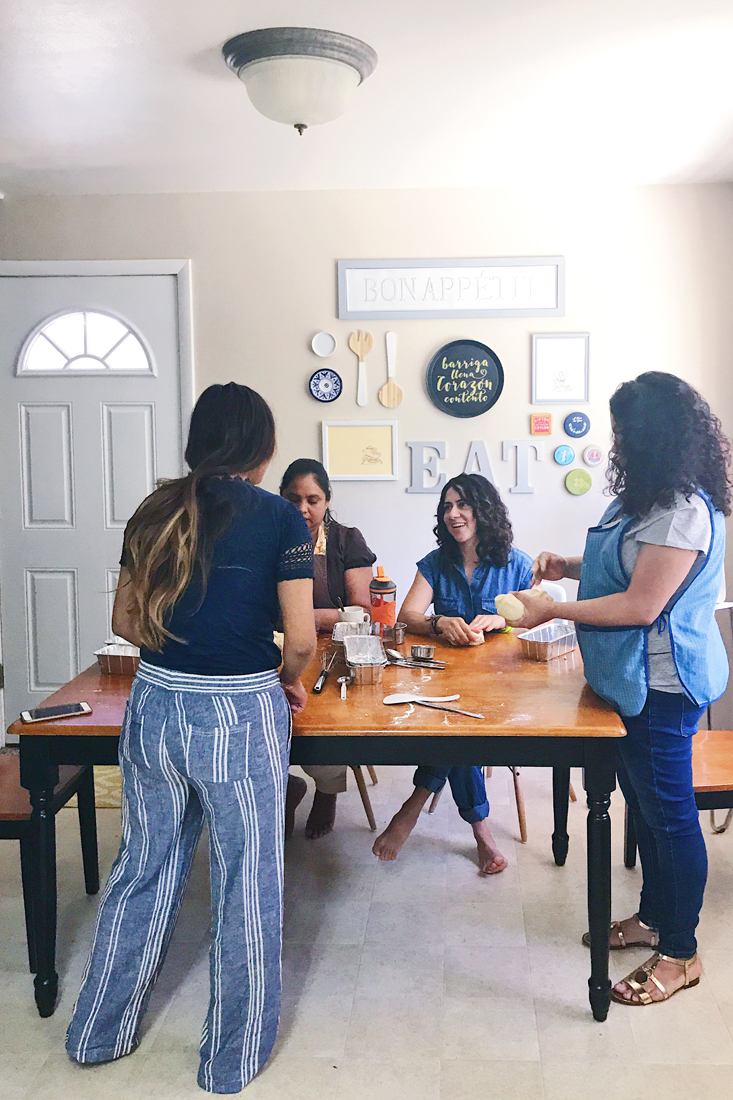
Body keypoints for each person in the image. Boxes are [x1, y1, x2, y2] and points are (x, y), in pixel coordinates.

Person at [66, 383, 316, 1092]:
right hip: (239, 714)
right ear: (263, 451)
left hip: (155, 705)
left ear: (197, 443)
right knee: (246, 884)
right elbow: (299, 640)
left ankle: (96, 1034)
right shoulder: (280, 519)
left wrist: (183, 650)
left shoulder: (154, 509)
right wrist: (281, 677)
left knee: (141, 869)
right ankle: (229, 1061)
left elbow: (126, 618)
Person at [515, 372, 730, 1007]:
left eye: (625, 434)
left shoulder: (685, 512)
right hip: (631, 684)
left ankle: (682, 953)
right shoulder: (647, 501)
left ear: (654, 438)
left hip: (664, 686)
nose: (617, 445)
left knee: (670, 818)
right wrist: (569, 567)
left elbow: (641, 605)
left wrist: (552, 610)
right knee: (647, 807)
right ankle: (655, 919)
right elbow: (632, 564)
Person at [372, 473, 533, 873]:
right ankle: (481, 832)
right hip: (443, 682)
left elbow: (535, 624)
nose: (453, 514)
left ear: (484, 510)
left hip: (501, 688)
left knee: (455, 730)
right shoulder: (435, 563)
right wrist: (439, 622)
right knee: (453, 727)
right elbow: (408, 616)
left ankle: (412, 807)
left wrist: (502, 620)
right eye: (447, 506)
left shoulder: (518, 564)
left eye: (462, 505)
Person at [279, 458, 376, 838]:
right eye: (293, 499)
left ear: (327, 500)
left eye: (312, 500)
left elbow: (362, 612)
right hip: (278, 649)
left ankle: (326, 789)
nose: (303, 509)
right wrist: (316, 617)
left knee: (327, 723)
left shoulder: (346, 540)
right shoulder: (266, 537)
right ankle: (285, 788)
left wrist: (301, 617)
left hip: (335, 653)